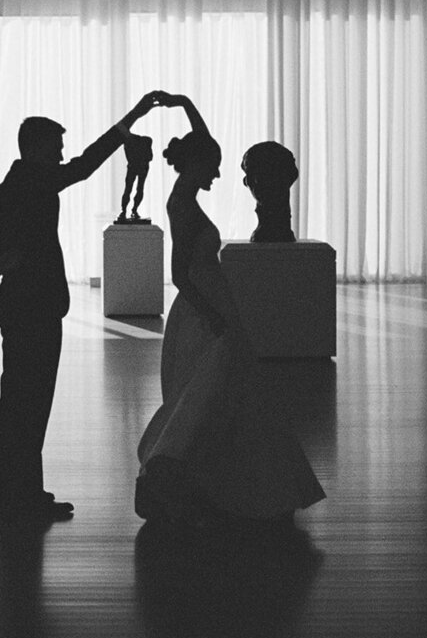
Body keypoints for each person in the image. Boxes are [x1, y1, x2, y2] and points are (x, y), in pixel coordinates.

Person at [136, 92, 324, 530]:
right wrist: (212, 316)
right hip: (203, 314)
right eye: (214, 167)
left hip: (214, 308)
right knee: (203, 400)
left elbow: (203, 141)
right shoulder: (181, 206)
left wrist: (183, 102)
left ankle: (236, 485)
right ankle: (186, 479)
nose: (219, 175)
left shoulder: (187, 194)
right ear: (195, 165)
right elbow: (179, 274)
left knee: (230, 397)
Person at [0, 92, 164, 523]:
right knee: (25, 407)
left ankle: (23, 494)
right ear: (36, 149)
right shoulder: (26, 184)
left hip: (34, 310)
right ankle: (17, 498)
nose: (61, 155)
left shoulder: (23, 183)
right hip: (31, 312)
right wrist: (131, 118)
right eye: (55, 148)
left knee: (26, 406)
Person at [118, 132, 154, 222]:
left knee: (133, 189)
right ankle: (128, 210)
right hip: (138, 166)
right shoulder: (144, 141)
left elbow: (149, 157)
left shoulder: (145, 140)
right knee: (133, 189)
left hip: (138, 166)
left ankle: (130, 210)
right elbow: (149, 157)